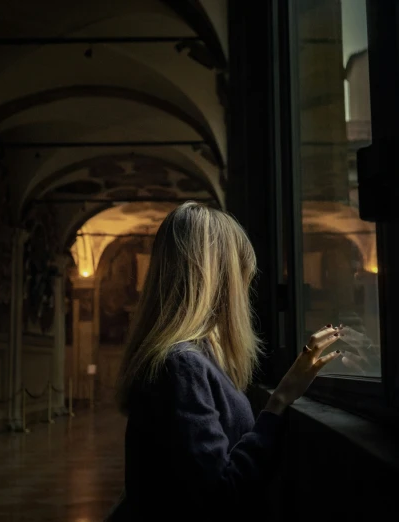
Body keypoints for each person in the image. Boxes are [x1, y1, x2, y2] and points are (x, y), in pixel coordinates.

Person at [108, 201, 342, 521]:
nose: (246, 290)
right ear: (221, 280)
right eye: (242, 276)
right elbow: (220, 495)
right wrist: (279, 400)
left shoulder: (186, 358)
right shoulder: (183, 366)